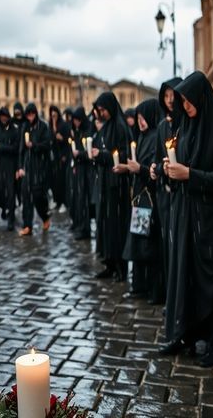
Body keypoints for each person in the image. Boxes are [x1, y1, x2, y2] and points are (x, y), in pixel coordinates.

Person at [159, 72, 213, 368]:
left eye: (189, 99)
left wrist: (190, 174)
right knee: (186, 274)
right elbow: (182, 162)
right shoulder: (185, 127)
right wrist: (170, 167)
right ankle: (187, 333)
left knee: (210, 280)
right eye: (182, 100)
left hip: (210, 220)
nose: (186, 105)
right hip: (186, 214)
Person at [122, 98, 164, 303]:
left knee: (150, 246)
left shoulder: (156, 136)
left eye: (142, 117)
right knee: (139, 242)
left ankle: (153, 289)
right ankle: (139, 285)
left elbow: (154, 169)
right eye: (137, 118)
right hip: (140, 198)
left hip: (150, 198)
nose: (140, 121)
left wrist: (140, 169)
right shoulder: (142, 137)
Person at [91, 92, 132, 281]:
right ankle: (109, 262)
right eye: (99, 111)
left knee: (116, 226)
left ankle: (120, 266)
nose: (101, 114)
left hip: (117, 185)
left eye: (103, 110)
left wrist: (103, 154)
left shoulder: (121, 127)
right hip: (105, 184)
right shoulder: (105, 127)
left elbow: (123, 155)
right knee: (105, 224)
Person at [149, 77, 183, 286]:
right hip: (165, 194)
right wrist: (155, 169)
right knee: (167, 244)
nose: (170, 100)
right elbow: (157, 157)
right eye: (166, 96)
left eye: (173, 95)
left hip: (182, 192)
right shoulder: (162, 126)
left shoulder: (186, 123)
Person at [17, 103, 51, 236]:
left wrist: (34, 145)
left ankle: (45, 216)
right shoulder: (25, 127)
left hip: (39, 167)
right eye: (28, 114)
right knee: (26, 196)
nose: (30, 117)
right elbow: (21, 149)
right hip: (27, 167)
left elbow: (47, 144)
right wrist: (20, 167)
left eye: (32, 114)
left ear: (36, 113)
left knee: (38, 196)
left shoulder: (43, 126)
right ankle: (27, 226)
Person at [0, 106, 19, 231]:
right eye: (1, 116)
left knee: (11, 193)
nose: (3, 118)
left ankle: (11, 220)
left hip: (10, 166)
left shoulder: (14, 130)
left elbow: (15, 148)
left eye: (5, 116)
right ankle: (4, 208)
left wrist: (0, 147)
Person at [70, 107, 92, 240]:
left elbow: (88, 152)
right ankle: (78, 224)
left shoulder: (87, 131)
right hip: (78, 168)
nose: (76, 123)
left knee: (84, 199)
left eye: (78, 120)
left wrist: (79, 154)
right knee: (77, 197)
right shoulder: (77, 132)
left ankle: (85, 228)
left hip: (86, 170)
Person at [48, 105, 69, 213]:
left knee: (62, 181)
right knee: (54, 181)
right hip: (54, 157)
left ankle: (64, 202)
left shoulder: (64, 125)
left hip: (62, 156)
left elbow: (68, 140)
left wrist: (62, 138)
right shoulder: (50, 125)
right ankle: (56, 200)